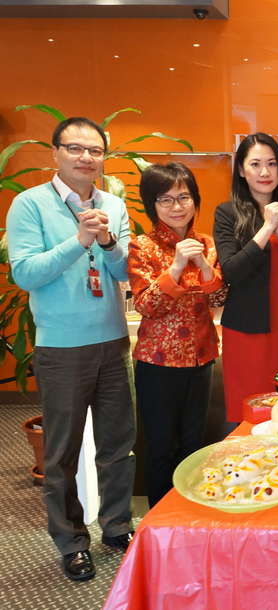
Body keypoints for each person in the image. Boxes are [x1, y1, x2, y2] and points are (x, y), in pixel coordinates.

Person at [6, 117, 136, 581]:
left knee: (118, 445)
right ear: (55, 153)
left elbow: (123, 273)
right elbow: (24, 273)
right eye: (75, 148)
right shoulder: (29, 205)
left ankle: (117, 527)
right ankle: (71, 542)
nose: (86, 157)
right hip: (61, 348)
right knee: (61, 453)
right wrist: (77, 240)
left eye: (95, 150)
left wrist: (106, 241)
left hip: (111, 342)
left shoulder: (114, 205)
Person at [128, 163, 227, 508]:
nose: (177, 206)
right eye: (165, 200)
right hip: (158, 364)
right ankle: (159, 522)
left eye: (184, 197)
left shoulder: (206, 244)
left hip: (201, 358)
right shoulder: (143, 246)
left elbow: (218, 298)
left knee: (193, 446)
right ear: (152, 205)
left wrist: (202, 266)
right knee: (160, 447)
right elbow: (146, 305)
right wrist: (174, 268)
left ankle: (189, 518)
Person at [213, 133, 278, 424]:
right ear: (241, 170)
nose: (264, 172)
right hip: (247, 331)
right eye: (255, 164)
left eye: (272, 164)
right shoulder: (227, 213)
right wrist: (267, 228)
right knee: (250, 412)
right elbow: (231, 271)